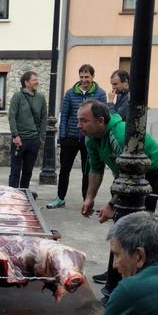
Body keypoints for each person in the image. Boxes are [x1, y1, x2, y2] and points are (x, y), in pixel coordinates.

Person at [78, 99, 158, 303]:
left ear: (100, 121)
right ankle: (115, 273)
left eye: (83, 120)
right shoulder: (91, 138)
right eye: (78, 120)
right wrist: (89, 198)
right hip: (125, 177)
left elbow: (132, 173)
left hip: (149, 173)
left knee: (143, 228)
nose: (78, 125)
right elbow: (95, 169)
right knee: (120, 226)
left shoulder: (119, 134)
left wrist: (111, 204)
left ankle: (138, 282)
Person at [47, 64, 107, 209]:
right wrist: (63, 136)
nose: (84, 80)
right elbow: (65, 115)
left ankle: (86, 200)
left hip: (90, 139)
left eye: (87, 77)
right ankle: (60, 198)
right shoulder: (70, 93)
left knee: (88, 171)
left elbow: (104, 115)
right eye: (81, 77)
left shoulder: (100, 94)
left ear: (93, 77)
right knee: (64, 170)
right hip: (71, 138)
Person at [8, 70, 47, 190]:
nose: (37, 82)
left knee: (28, 171)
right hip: (19, 140)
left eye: (37, 79)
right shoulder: (17, 97)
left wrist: (40, 137)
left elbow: (44, 117)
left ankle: (24, 194)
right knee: (15, 170)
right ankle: (12, 195)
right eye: (34, 80)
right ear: (26, 82)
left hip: (34, 140)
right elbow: (12, 116)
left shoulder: (41, 98)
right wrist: (15, 135)